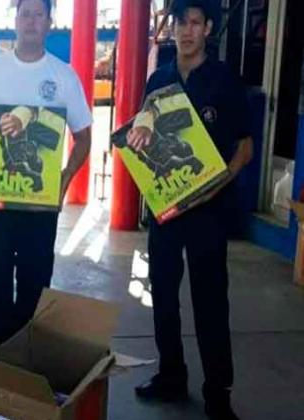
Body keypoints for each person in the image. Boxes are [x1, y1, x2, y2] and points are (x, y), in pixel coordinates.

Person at [127, 1, 254, 419]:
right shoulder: (158, 80)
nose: (185, 31)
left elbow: (245, 146)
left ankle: (218, 392)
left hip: (209, 213)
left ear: (209, 28)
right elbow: (140, 134)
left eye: (195, 23)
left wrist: (219, 181)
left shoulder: (224, 81)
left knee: (210, 303)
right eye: (180, 22)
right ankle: (171, 376)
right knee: (162, 296)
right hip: (166, 211)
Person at [0, 0, 93, 357]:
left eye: (39, 14)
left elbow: (84, 138)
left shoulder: (64, 75)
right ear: (15, 19)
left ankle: (27, 373)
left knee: (35, 287)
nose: (31, 21)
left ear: (50, 22)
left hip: (40, 208)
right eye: (25, 13)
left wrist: (65, 178)